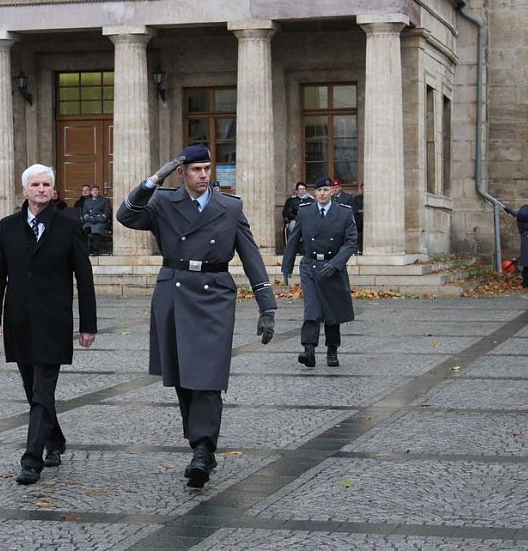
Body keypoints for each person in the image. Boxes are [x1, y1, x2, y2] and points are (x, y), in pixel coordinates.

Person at [116, 145, 277, 489]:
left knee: (207, 375)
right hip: (173, 292)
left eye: (207, 168)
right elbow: (126, 216)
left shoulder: (229, 207)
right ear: (182, 173)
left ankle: (203, 448)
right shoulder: (163, 202)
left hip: (214, 294)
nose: (203, 175)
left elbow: (251, 257)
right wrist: (154, 179)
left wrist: (268, 305)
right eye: (196, 170)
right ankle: (199, 443)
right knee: (181, 376)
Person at [0, 164, 97, 485]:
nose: (41, 189)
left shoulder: (68, 225)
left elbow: (84, 278)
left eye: (47, 184)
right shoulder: (7, 227)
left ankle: (31, 460)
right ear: (25, 191)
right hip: (18, 320)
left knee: (43, 388)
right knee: (32, 389)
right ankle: (55, 439)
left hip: (53, 321)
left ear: (53, 190)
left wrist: (88, 324)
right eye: (35, 184)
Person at [282, 176, 357, 368]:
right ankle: (309, 350)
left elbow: (350, 243)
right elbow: (294, 239)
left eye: (326, 190)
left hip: (332, 266)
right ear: (314, 193)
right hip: (310, 266)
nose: (322, 194)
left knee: (332, 311)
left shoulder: (343, 213)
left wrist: (337, 263)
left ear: (332, 191)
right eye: (319, 190)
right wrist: (287, 267)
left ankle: (332, 350)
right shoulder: (305, 212)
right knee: (312, 309)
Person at [81, 185, 112, 256]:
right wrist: (90, 219)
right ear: (90, 192)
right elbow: (84, 213)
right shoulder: (87, 201)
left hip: (101, 222)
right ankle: (84, 250)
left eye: (96, 190)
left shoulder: (105, 200)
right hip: (89, 222)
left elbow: (107, 213)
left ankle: (96, 250)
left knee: (97, 230)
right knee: (83, 231)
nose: (95, 192)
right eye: (93, 190)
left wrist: (97, 219)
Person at [353, 185, 364, 254]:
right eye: (363, 188)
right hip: (359, 222)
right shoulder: (357, 198)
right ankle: (359, 250)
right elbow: (355, 210)